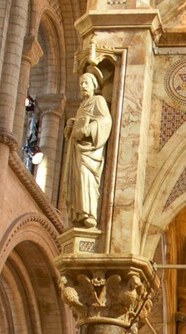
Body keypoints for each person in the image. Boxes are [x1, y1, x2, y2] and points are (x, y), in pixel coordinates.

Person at [69, 68, 113, 228]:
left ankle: (90, 213)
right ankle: (80, 214)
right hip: (77, 150)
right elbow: (77, 129)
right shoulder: (82, 106)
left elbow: (105, 121)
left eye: (86, 82)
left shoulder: (98, 101)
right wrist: (71, 128)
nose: (83, 86)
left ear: (94, 85)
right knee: (77, 180)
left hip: (90, 151)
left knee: (85, 177)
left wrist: (87, 130)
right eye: (81, 83)